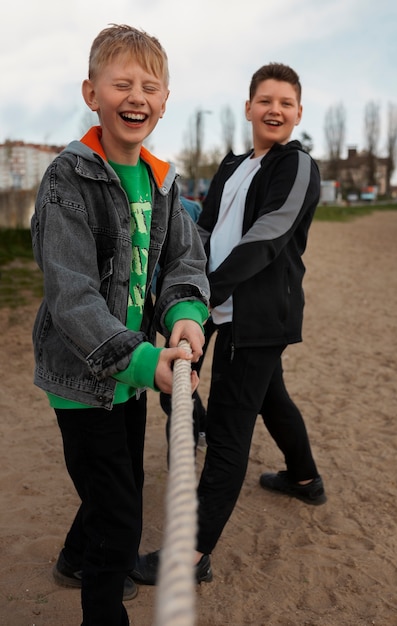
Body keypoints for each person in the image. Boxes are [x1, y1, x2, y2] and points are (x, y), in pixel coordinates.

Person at [31, 24, 209, 626]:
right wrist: (140, 361)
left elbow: (183, 260)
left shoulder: (163, 180)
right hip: (85, 382)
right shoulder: (67, 178)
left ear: (164, 101)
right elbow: (73, 297)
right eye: (121, 84)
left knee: (120, 482)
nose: (137, 96)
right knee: (121, 521)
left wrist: (185, 315)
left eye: (150, 86)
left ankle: (71, 559)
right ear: (91, 93)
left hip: (133, 378)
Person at [133, 61, 326, 585]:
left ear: (298, 112)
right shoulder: (234, 162)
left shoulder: (298, 165)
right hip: (213, 301)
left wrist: (207, 293)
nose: (275, 110)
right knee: (258, 395)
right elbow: (208, 225)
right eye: (266, 100)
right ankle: (304, 478)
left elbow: (267, 236)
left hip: (256, 315)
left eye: (286, 103)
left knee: (229, 434)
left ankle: (191, 557)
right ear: (248, 108)